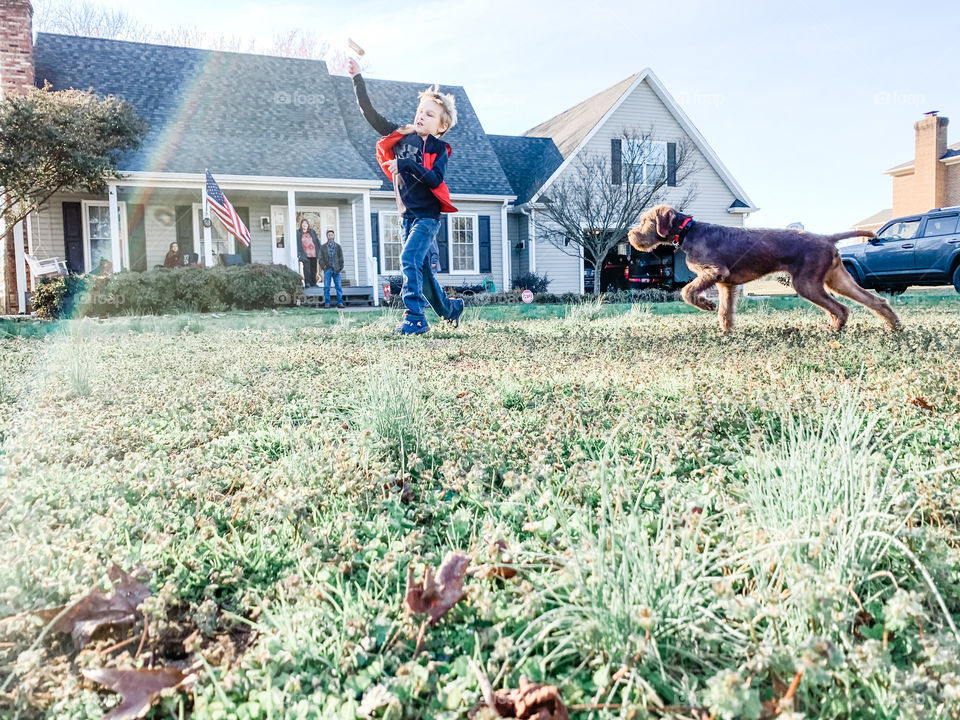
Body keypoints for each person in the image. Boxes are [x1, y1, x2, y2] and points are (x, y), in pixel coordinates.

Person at [348, 57, 464, 335]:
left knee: (408, 260)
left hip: (427, 217)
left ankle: (415, 318)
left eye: (429, 114)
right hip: (406, 217)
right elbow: (369, 112)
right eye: (420, 111)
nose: (421, 116)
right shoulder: (401, 136)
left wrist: (407, 165)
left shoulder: (439, 148)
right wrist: (357, 78)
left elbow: (435, 178)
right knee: (422, 276)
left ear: (440, 126)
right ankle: (451, 309)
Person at [319, 229, 345, 309]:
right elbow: (320, 259)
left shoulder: (338, 247)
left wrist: (340, 268)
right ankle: (327, 303)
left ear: (334, 236)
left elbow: (341, 258)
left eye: (332, 235)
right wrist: (324, 267)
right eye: (329, 235)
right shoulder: (323, 247)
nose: (330, 236)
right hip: (327, 269)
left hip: (336, 270)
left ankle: (340, 302)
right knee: (326, 287)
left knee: (339, 287)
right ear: (327, 236)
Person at [297, 219, 319, 287]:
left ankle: (314, 283)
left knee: (313, 269)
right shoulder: (298, 233)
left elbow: (317, 241)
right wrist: (299, 253)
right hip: (305, 254)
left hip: (313, 253)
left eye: (306, 223)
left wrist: (319, 250)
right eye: (303, 223)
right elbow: (297, 243)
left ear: (308, 225)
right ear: (301, 225)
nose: (304, 224)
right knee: (306, 269)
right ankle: (307, 283)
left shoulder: (312, 232)